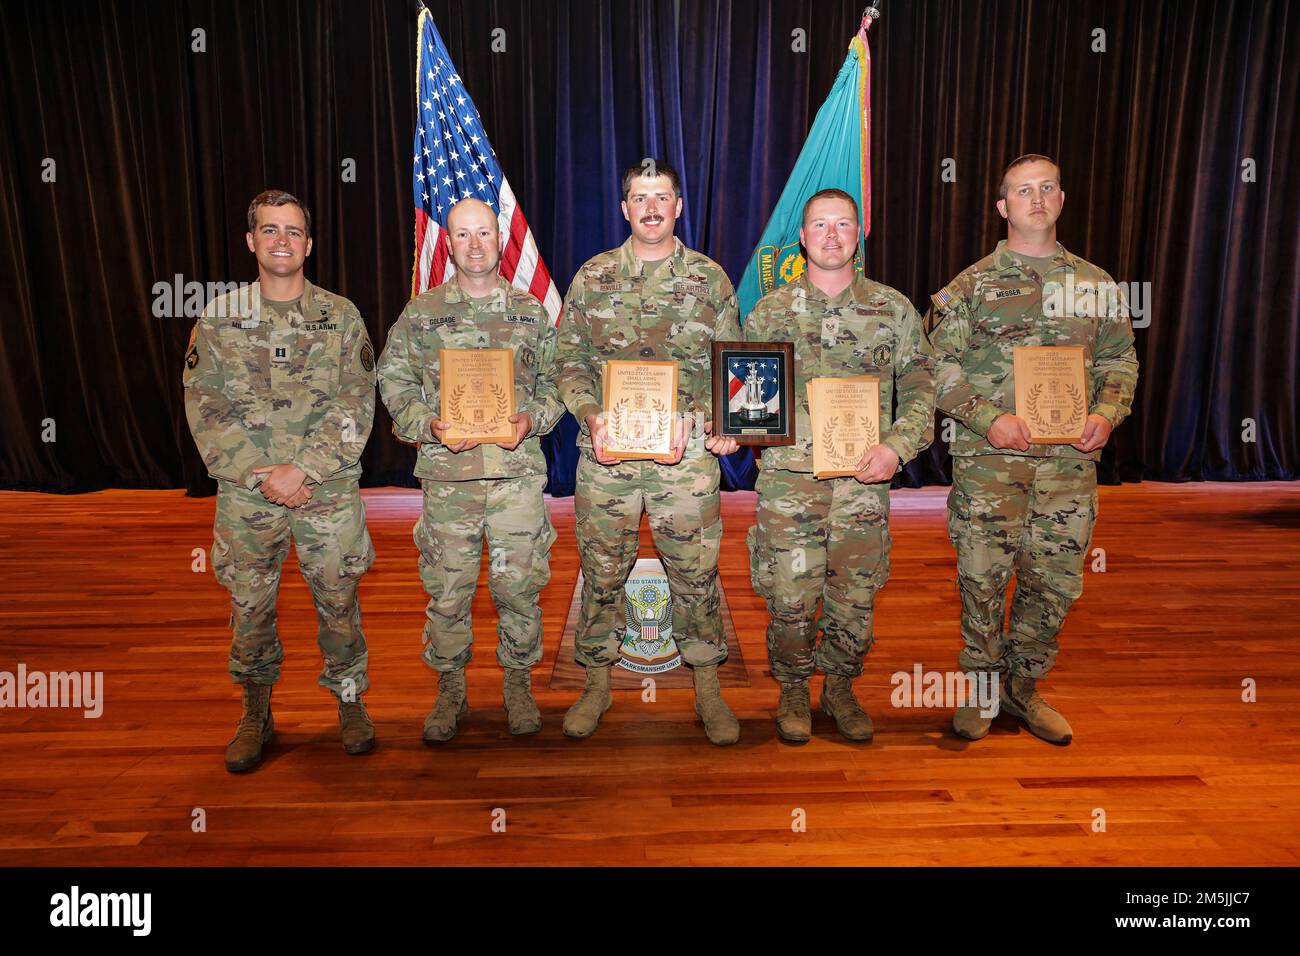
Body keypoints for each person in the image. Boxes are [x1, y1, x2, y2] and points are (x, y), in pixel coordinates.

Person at [926, 154, 1139, 744]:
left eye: (1048, 187)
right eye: (1024, 190)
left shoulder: (1096, 285)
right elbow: (934, 366)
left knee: (1054, 582)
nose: (1037, 198)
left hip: (1069, 469)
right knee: (983, 578)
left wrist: (1106, 412)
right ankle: (983, 690)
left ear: (1063, 199)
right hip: (991, 466)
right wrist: (987, 417)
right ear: (1003, 207)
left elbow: (1121, 358)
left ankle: (1024, 689)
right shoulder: (971, 286)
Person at [184, 189, 377, 772]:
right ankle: (255, 711)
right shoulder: (218, 318)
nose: (282, 241)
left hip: (327, 490)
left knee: (339, 600)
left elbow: (357, 399)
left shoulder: (341, 316)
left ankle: (349, 702)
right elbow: (204, 405)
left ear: (309, 244)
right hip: (249, 496)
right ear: (251, 241)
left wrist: (305, 469)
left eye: (292, 231)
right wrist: (258, 472)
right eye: (270, 230)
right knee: (250, 606)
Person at [554, 159, 742, 745]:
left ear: (678, 207)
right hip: (608, 455)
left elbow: (733, 368)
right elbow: (568, 361)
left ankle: (707, 684)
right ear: (625, 208)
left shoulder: (710, 279)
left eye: (662, 197)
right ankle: (597, 682)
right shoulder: (593, 276)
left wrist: (722, 423)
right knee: (602, 570)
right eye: (641, 197)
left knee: (695, 572)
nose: (652, 208)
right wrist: (590, 414)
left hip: (683, 460)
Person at [744, 188, 936, 743]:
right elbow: (746, 393)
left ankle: (842, 687)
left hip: (861, 483)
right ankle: (792, 690)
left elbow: (923, 385)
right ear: (802, 239)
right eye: (820, 226)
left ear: (858, 235)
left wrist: (897, 446)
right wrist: (739, 430)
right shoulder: (770, 312)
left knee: (855, 597)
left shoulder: (893, 309)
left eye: (843, 225)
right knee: (790, 598)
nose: (831, 235)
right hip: (789, 485)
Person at [377, 198, 563, 741]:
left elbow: (559, 382)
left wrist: (534, 418)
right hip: (449, 480)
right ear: (450, 243)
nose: (475, 245)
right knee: (449, 590)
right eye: (463, 235)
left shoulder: (530, 312)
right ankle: (451, 689)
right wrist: (426, 423)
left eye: (484, 233)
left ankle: (518, 685)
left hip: (515, 479)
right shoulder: (423, 314)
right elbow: (393, 378)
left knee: (519, 588)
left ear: (500, 238)